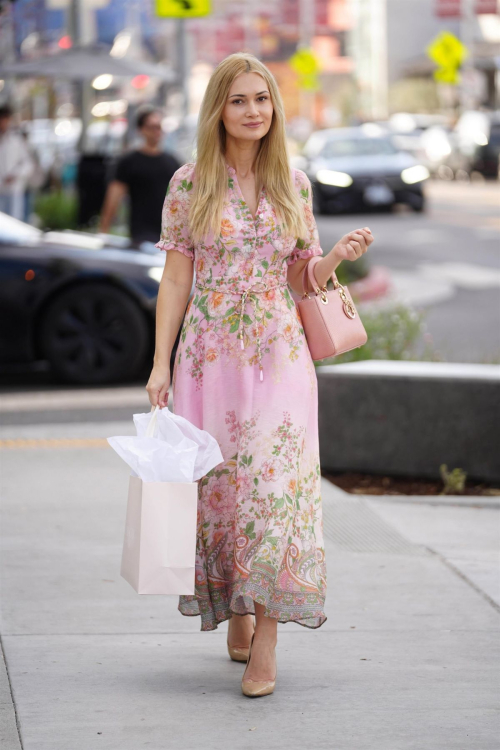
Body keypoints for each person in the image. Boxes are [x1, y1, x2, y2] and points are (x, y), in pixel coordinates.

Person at [146, 53, 374, 698]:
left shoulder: (292, 183)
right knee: (221, 492)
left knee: (276, 494)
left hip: (279, 356)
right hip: (207, 359)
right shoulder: (189, 184)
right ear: (218, 107)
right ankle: (236, 608)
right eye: (240, 100)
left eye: (263, 100)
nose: (253, 111)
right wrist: (160, 363)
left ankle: (266, 641)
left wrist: (333, 257)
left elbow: (303, 278)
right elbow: (176, 279)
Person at [99, 106, 180, 246]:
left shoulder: (172, 162)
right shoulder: (129, 161)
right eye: (152, 127)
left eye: (159, 127)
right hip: (141, 235)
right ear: (141, 129)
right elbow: (113, 197)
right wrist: (103, 232)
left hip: (170, 236)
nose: (157, 131)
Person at [0, 105, 35, 221]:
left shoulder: (16, 141)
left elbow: (28, 164)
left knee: (14, 222)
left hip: (14, 190)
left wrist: (15, 174)